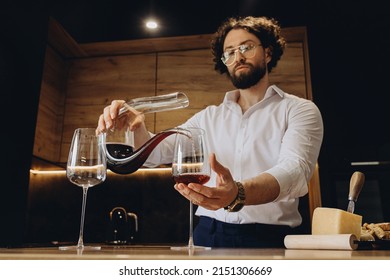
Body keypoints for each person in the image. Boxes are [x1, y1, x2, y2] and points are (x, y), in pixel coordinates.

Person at [96, 16, 323, 248]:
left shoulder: (298, 109)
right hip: (208, 234)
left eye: (247, 47)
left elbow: (294, 172)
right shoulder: (208, 117)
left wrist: (238, 193)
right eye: (230, 52)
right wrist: (135, 127)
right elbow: (158, 153)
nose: (239, 57)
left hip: (270, 238)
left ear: (267, 52)